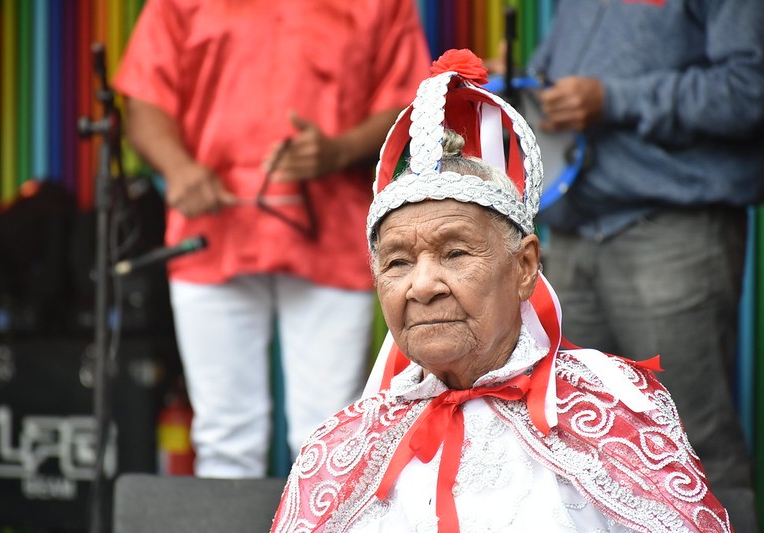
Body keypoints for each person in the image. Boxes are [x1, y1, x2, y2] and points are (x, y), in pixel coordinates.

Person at [270, 49, 732, 533]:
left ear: (525, 266)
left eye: (455, 253)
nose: (422, 286)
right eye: (398, 262)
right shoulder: (340, 449)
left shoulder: (616, 413)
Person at [112, 0, 431, 478]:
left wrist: (339, 149)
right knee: (223, 439)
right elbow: (144, 100)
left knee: (328, 438)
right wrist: (179, 169)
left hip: (331, 236)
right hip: (211, 234)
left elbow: (408, 102)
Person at [522, 1, 764, 530]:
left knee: (692, 444)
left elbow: (750, 89)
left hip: (671, 231)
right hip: (576, 235)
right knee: (578, 441)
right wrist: (529, 83)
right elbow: (566, 74)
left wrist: (612, 100)